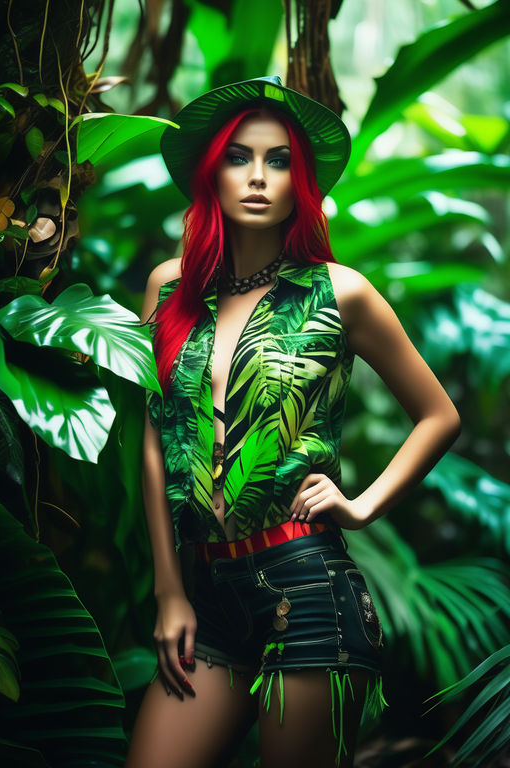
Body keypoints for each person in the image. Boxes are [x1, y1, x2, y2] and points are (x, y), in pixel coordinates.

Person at [125, 76, 461, 768]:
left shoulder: (340, 293)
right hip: (207, 596)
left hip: (308, 591)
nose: (257, 176)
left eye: (278, 161)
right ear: (210, 172)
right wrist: (168, 591)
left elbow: (438, 415)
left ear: (300, 182)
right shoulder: (169, 289)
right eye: (238, 157)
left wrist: (362, 505)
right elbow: (157, 439)